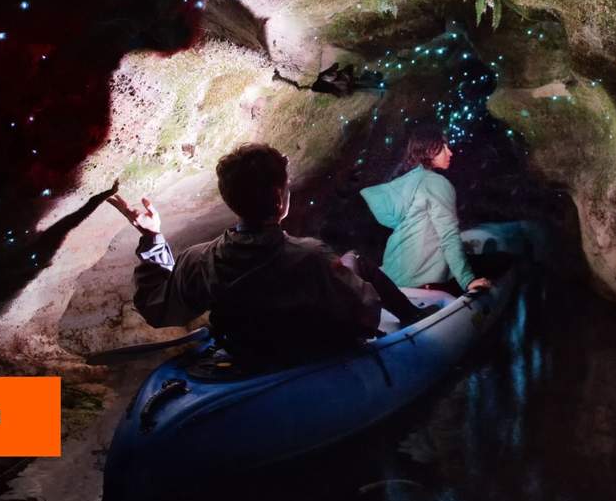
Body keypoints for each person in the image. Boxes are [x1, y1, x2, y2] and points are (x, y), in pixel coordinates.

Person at [108, 143, 434, 365]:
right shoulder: (312, 257)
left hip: (243, 353)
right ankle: (414, 319)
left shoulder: (200, 259)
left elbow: (160, 309)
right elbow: (365, 313)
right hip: (304, 355)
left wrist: (152, 236)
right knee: (356, 261)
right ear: (280, 199)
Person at [358, 124, 492, 297]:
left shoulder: (407, 181)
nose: (450, 152)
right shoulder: (436, 183)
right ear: (430, 150)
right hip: (421, 280)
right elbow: (448, 236)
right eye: (444, 147)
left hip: (392, 278)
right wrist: (467, 280)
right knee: (502, 260)